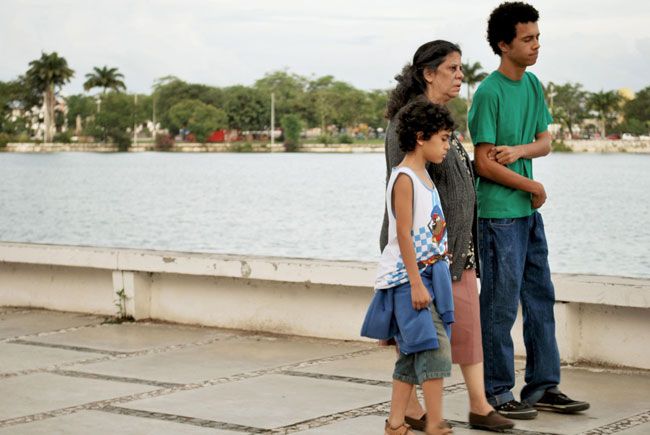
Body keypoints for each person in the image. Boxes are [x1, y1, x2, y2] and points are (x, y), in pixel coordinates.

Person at [380, 41, 513, 432]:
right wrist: (423, 261)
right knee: (424, 337)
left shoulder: (441, 119)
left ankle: (474, 404)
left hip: (458, 246)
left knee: (462, 327)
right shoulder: (408, 124)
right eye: (452, 69)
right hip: (428, 252)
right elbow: (404, 189)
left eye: (461, 68)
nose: (460, 76)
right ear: (428, 73)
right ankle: (419, 412)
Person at [468, 1, 590, 420]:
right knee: (499, 306)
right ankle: (497, 391)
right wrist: (531, 183)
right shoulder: (488, 93)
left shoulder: (533, 84)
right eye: (527, 39)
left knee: (540, 297)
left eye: (537, 37)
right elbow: (482, 163)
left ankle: (542, 386)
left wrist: (520, 153)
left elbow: (544, 142)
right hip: (498, 215)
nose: (536, 45)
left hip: (527, 212)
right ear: (504, 45)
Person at [362, 99, 455, 435]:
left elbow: (428, 229)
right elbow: (402, 233)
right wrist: (416, 283)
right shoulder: (404, 178)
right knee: (433, 347)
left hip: (431, 273)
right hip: (408, 278)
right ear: (420, 137)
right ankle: (435, 423)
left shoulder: (425, 176)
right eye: (443, 138)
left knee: (412, 353)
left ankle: (396, 424)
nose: (447, 145)